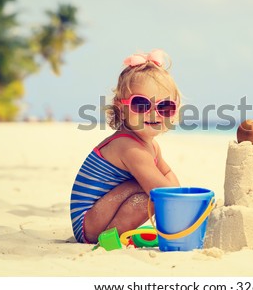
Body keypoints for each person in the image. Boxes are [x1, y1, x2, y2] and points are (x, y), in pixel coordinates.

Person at [70, 49, 181, 244]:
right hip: (88, 222)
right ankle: (110, 237)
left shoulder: (151, 146)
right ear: (121, 108)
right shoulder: (128, 147)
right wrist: (181, 206)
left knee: (151, 191)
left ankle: (116, 233)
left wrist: (178, 197)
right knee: (150, 194)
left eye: (164, 107)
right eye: (141, 105)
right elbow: (161, 192)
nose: (153, 114)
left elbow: (168, 174)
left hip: (102, 211)